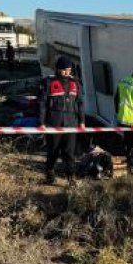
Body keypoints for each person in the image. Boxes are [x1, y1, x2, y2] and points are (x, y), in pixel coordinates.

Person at [39, 56, 85, 185]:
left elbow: (80, 103)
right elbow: (42, 104)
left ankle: (71, 178)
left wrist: (82, 121)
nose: (67, 72)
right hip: (54, 123)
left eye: (69, 70)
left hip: (71, 123)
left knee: (69, 152)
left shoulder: (75, 83)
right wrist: (41, 122)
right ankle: (50, 173)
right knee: (53, 151)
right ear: (58, 69)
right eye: (64, 70)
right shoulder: (48, 82)